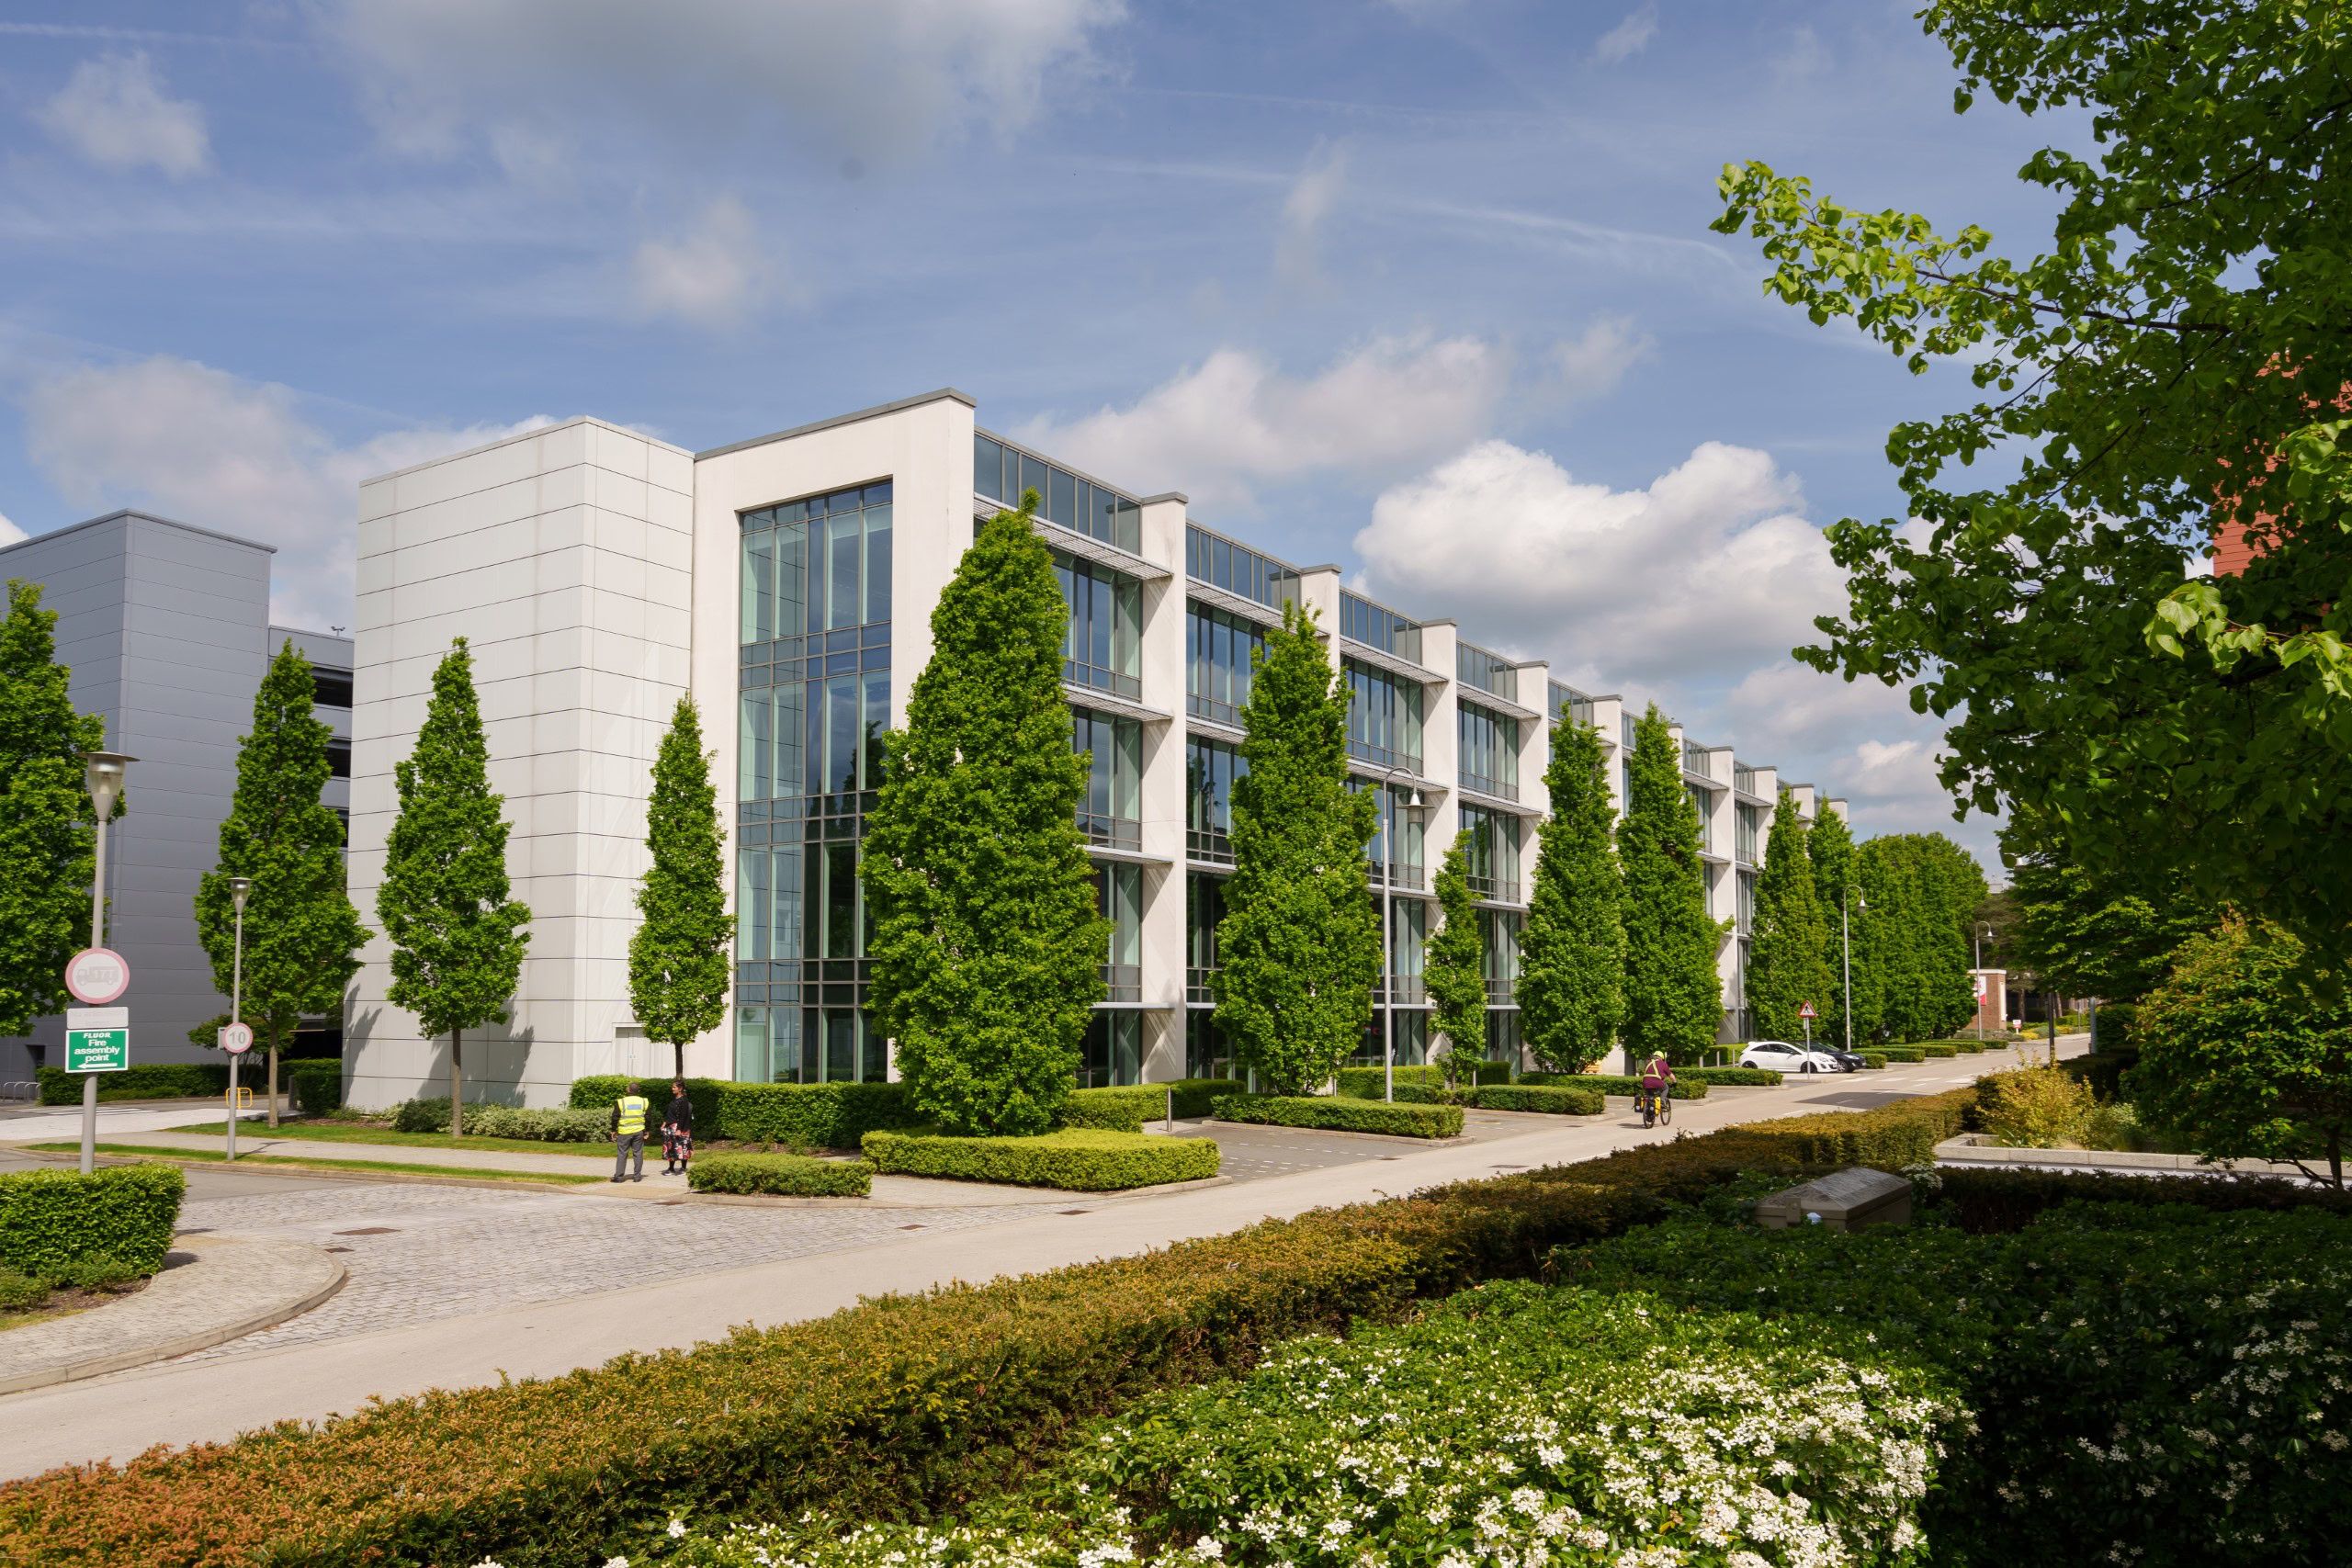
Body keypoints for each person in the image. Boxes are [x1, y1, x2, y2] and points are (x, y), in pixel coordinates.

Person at [610, 1080, 650, 1182]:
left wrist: (613, 1130)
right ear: (638, 1091)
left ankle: (619, 1177)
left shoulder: (621, 1102)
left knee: (622, 1154)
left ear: (628, 1090)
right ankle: (637, 1177)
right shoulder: (644, 1101)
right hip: (639, 1131)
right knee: (638, 1154)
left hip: (624, 1132)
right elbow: (648, 1117)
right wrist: (647, 1131)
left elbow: (615, 1117)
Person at [661, 1079, 694, 1176]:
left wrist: (679, 1129)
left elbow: (683, 1116)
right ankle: (671, 1168)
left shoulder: (684, 1100)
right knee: (671, 1148)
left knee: (682, 1148)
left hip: (680, 1128)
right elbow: (670, 1113)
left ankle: (683, 1168)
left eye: (674, 1087)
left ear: (680, 1089)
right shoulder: (674, 1099)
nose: (672, 1089)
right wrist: (664, 1123)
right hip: (670, 1127)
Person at [1638, 1053, 1674, 1120]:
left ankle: (1649, 1116)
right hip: (1657, 1082)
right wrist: (1675, 1082)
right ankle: (1662, 1102)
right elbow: (1671, 1076)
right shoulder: (1663, 1063)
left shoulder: (1648, 1063)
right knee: (1666, 1088)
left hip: (1645, 1082)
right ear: (1661, 1058)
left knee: (1649, 1097)